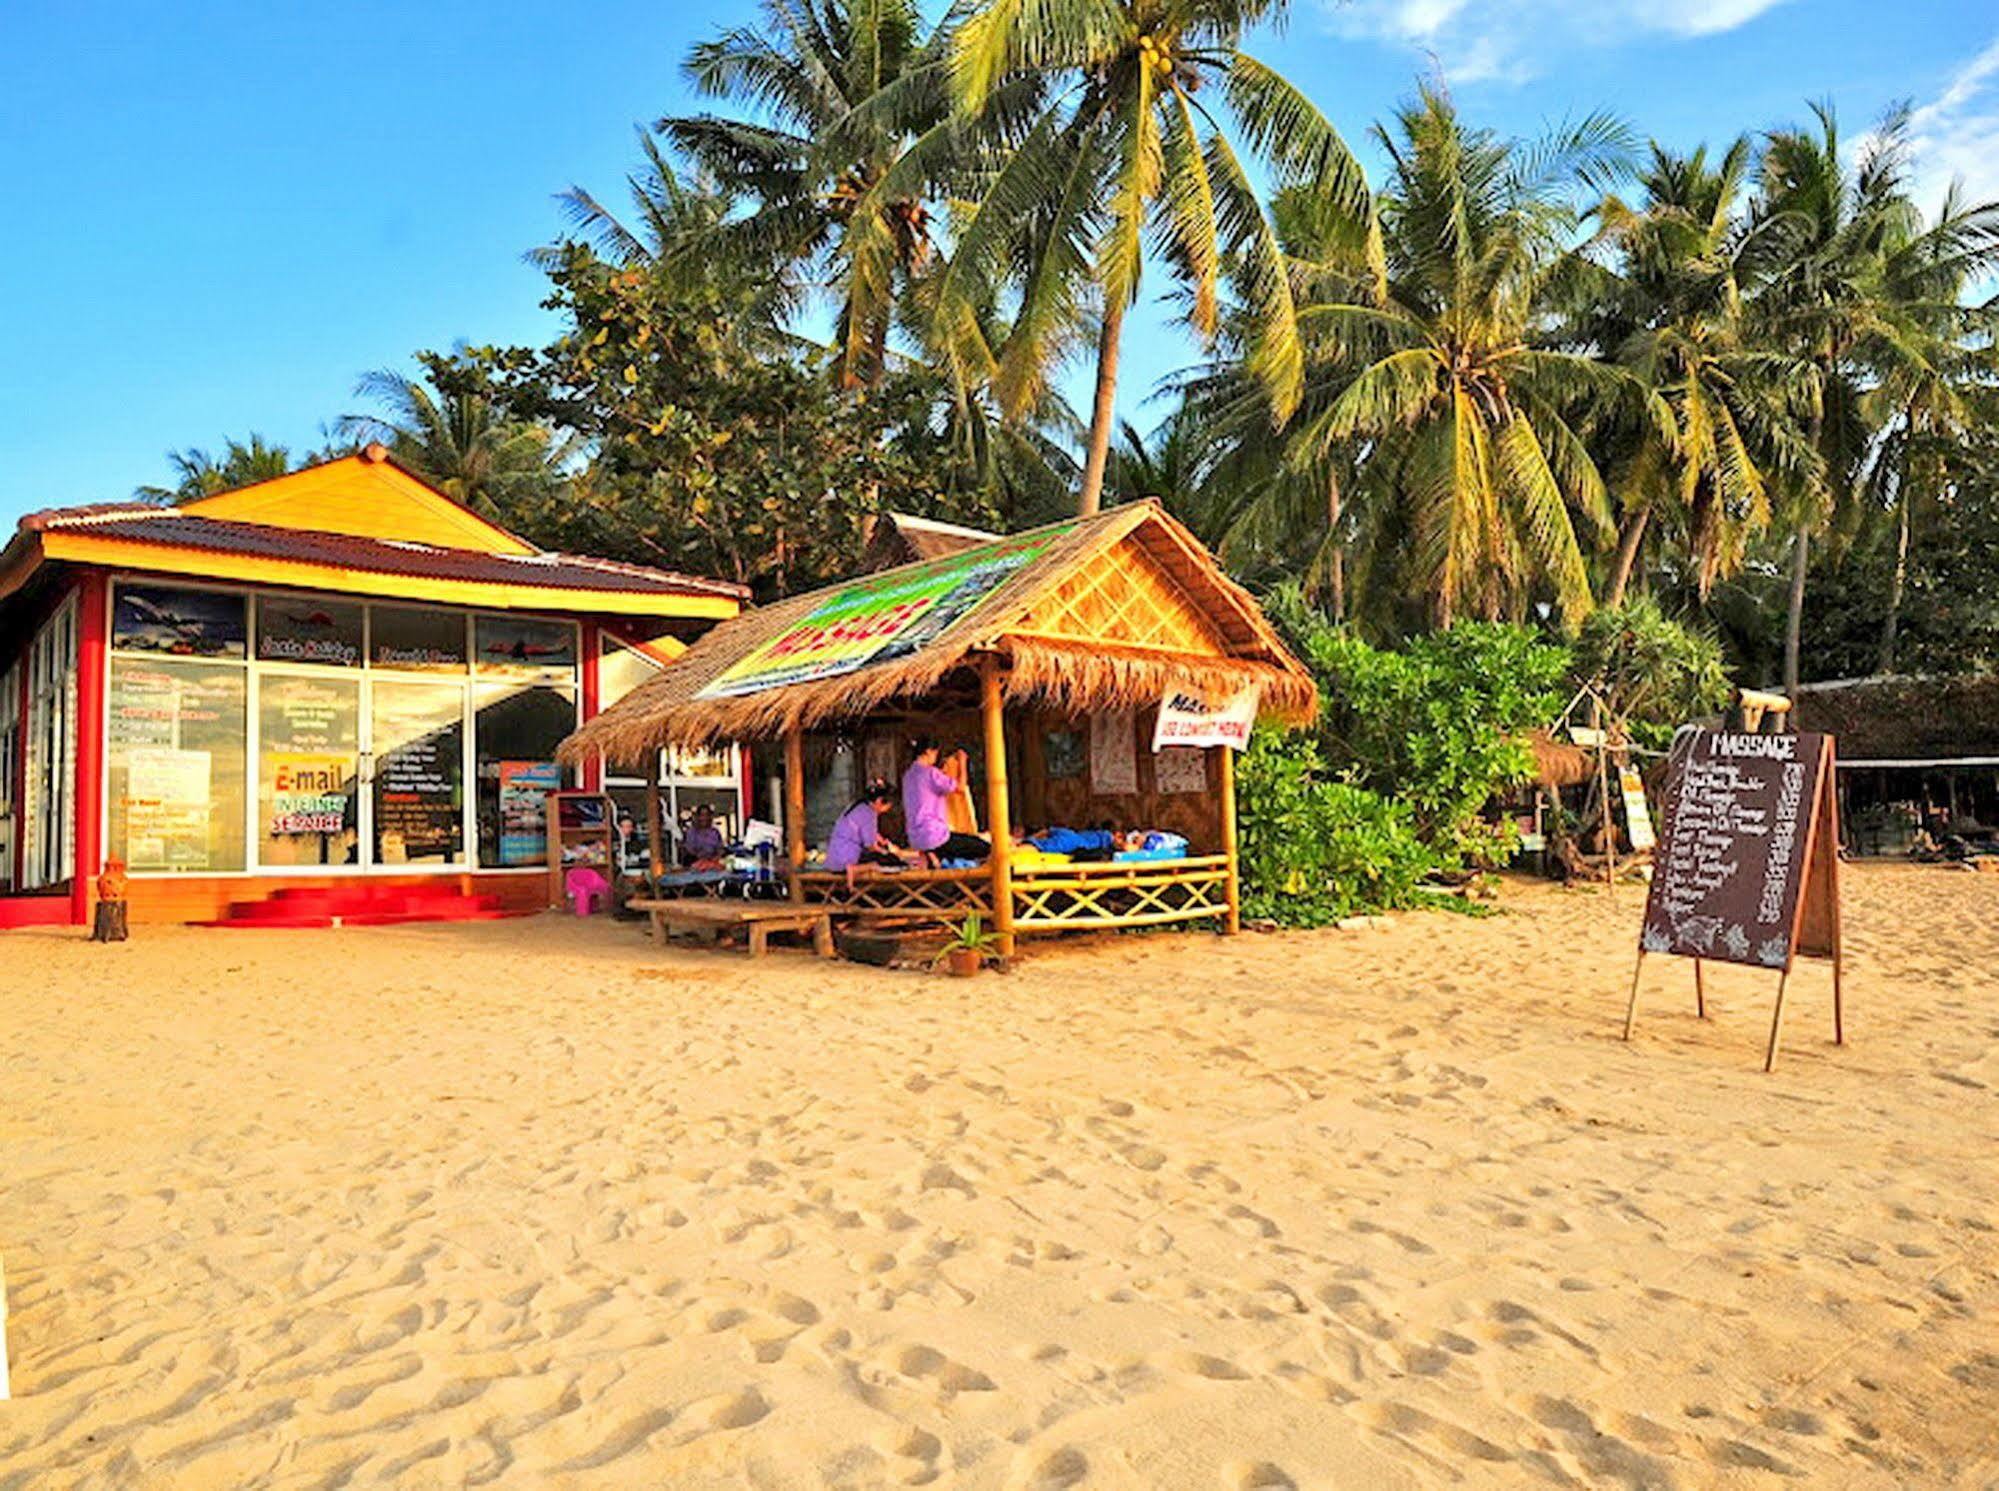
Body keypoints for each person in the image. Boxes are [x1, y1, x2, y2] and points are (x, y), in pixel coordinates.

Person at [903, 738, 990, 865]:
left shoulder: (908, 776)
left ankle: (934, 857)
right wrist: (962, 762)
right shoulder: (931, 773)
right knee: (984, 848)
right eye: (935, 754)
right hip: (935, 836)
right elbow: (960, 787)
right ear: (928, 752)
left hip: (915, 838)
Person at [824, 781, 916, 886]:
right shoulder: (869, 814)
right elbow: (870, 846)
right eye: (887, 807)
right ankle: (858, 868)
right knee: (888, 861)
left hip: (833, 861)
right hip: (846, 861)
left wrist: (881, 840)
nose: (886, 810)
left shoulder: (857, 807)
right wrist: (885, 852)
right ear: (879, 801)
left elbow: (867, 832)